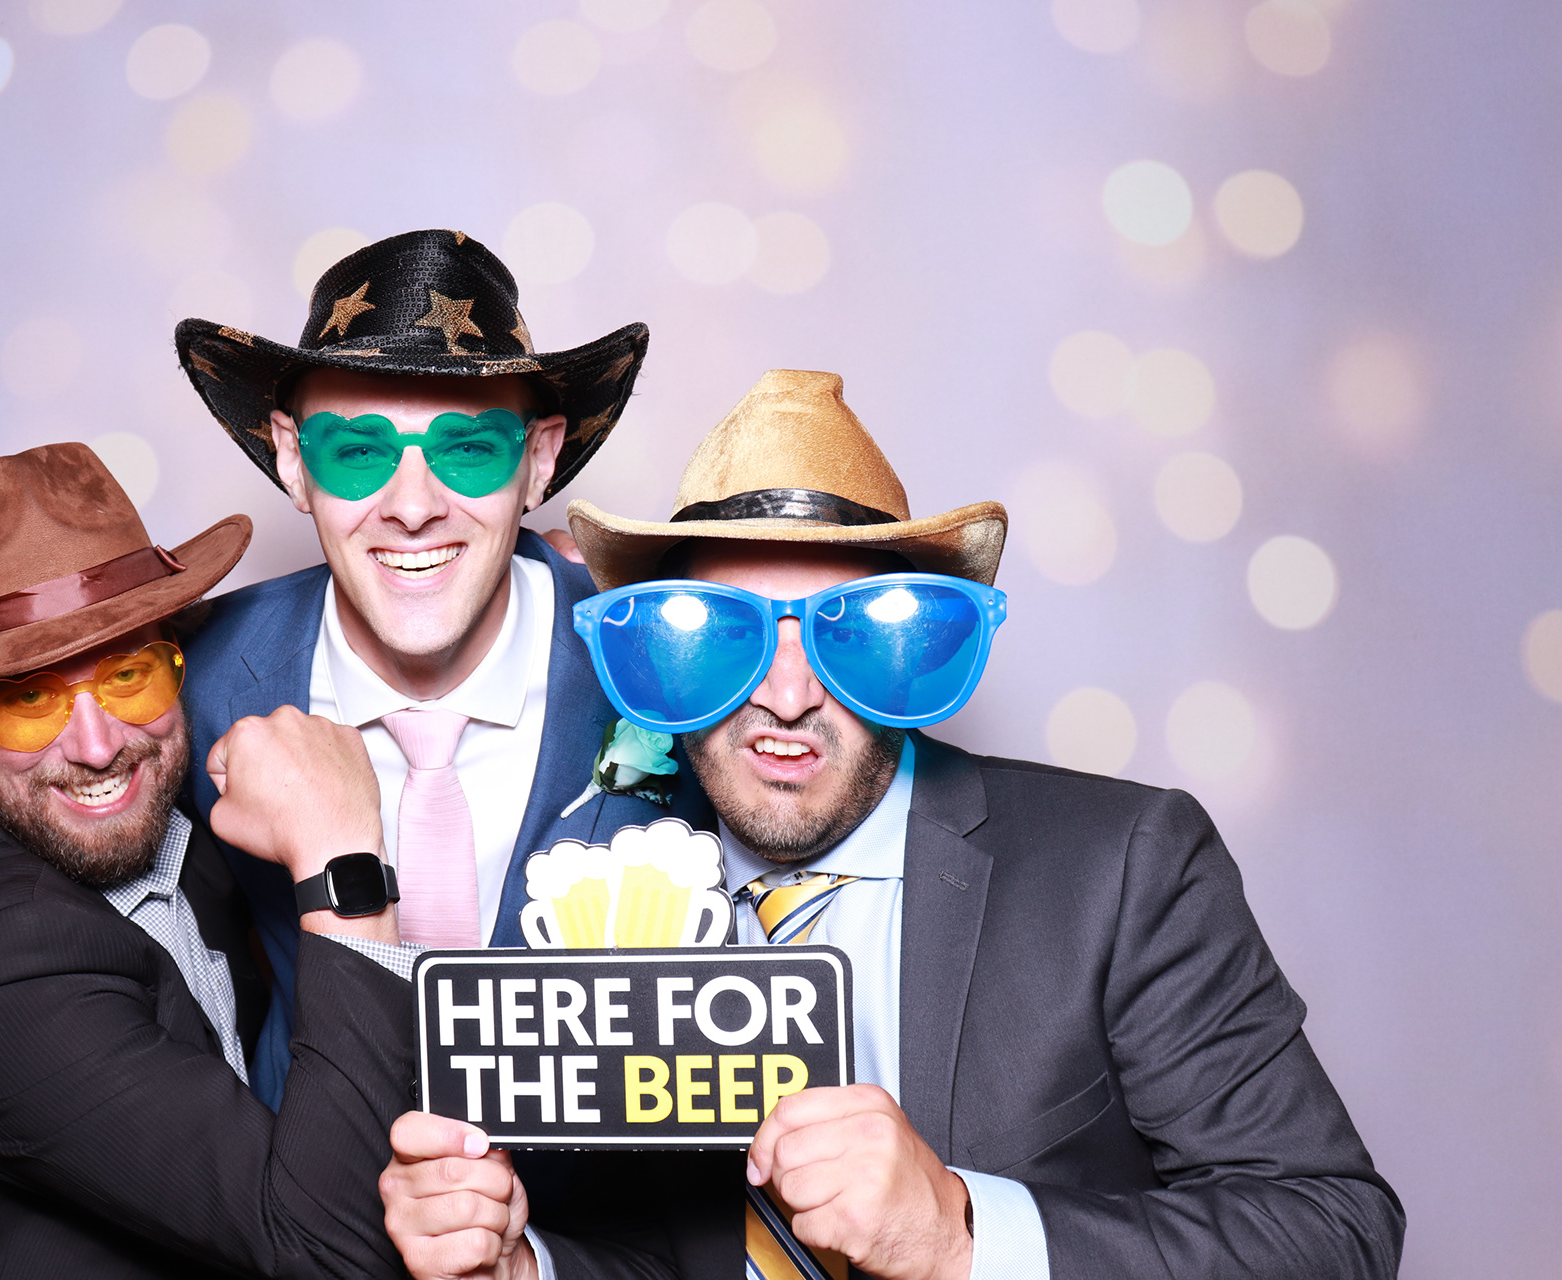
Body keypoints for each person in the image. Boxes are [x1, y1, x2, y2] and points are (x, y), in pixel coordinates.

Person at [377, 370, 1406, 1278]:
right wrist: (526, 1266)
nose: (786, 696)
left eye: (848, 637)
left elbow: (1334, 1228)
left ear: (910, 646)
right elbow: (670, 1250)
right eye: (729, 637)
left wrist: (962, 1237)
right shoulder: (608, 891)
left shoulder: (1122, 867)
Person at [0, 443, 427, 1279]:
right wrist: (343, 864)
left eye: (129, 675)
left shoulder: (150, 814)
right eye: (29, 699)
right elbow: (332, 1255)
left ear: (179, 661)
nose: (98, 746)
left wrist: (552, 581)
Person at [173, 228, 709, 1105]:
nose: (414, 507)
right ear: (292, 460)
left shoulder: (670, 663)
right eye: (357, 451)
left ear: (538, 461)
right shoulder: (198, 680)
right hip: (308, 1174)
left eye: (468, 449)